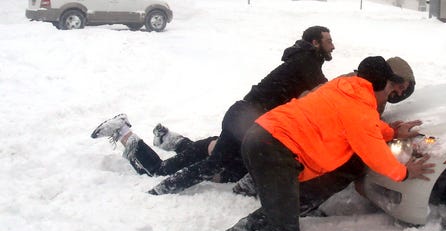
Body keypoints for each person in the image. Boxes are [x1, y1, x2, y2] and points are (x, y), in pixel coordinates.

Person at [197, 55, 433, 231]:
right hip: (275, 151)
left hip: (260, 136)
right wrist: (404, 172)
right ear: (380, 85)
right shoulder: (360, 107)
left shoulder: (344, 88)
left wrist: (391, 132)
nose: (391, 95)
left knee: (281, 211)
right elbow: (374, 151)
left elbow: (365, 125)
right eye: (391, 88)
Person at [90, 26, 336, 192]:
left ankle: (173, 141)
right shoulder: (307, 63)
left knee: (229, 163)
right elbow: (329, 97)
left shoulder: (304, 61)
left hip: (246, 117)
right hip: (247, 118)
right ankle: (131, 144)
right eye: (328, 41)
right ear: (315, 43)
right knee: (211, 165)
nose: (333, 46)